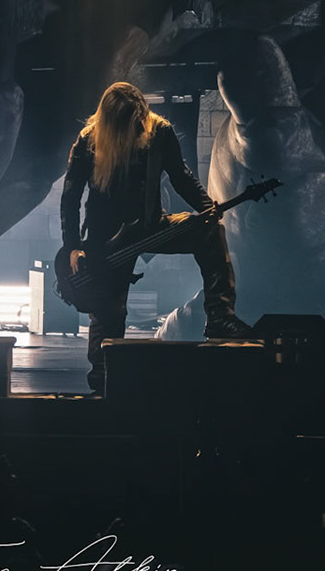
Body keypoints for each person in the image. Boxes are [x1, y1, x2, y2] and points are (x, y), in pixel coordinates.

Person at [60, 81, 253, 393]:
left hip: (150, 227)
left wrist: (206, 207)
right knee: (109, 314)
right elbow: (70, 197)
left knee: (208, 231)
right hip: (104, 241)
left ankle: (219, 315)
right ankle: (103, 380)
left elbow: (180, 176)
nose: (135, 127)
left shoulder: (159, 131)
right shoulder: (89, 139)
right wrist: (72, 247)